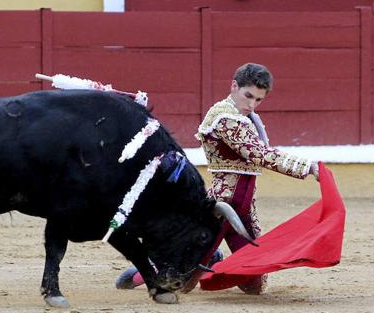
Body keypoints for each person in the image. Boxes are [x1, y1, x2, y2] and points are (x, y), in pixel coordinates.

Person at [116, 63, 319, 295]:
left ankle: (210, 260)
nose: (251, 105)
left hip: (243, 208)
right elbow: (259, 154)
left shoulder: (246, 116)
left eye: (258, 100)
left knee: (254, 284)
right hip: (221, 205)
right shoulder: (224, 118)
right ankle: (147, 270)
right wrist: (307, 167)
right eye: (248, 96)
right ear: (234, 86)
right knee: (182, 279)